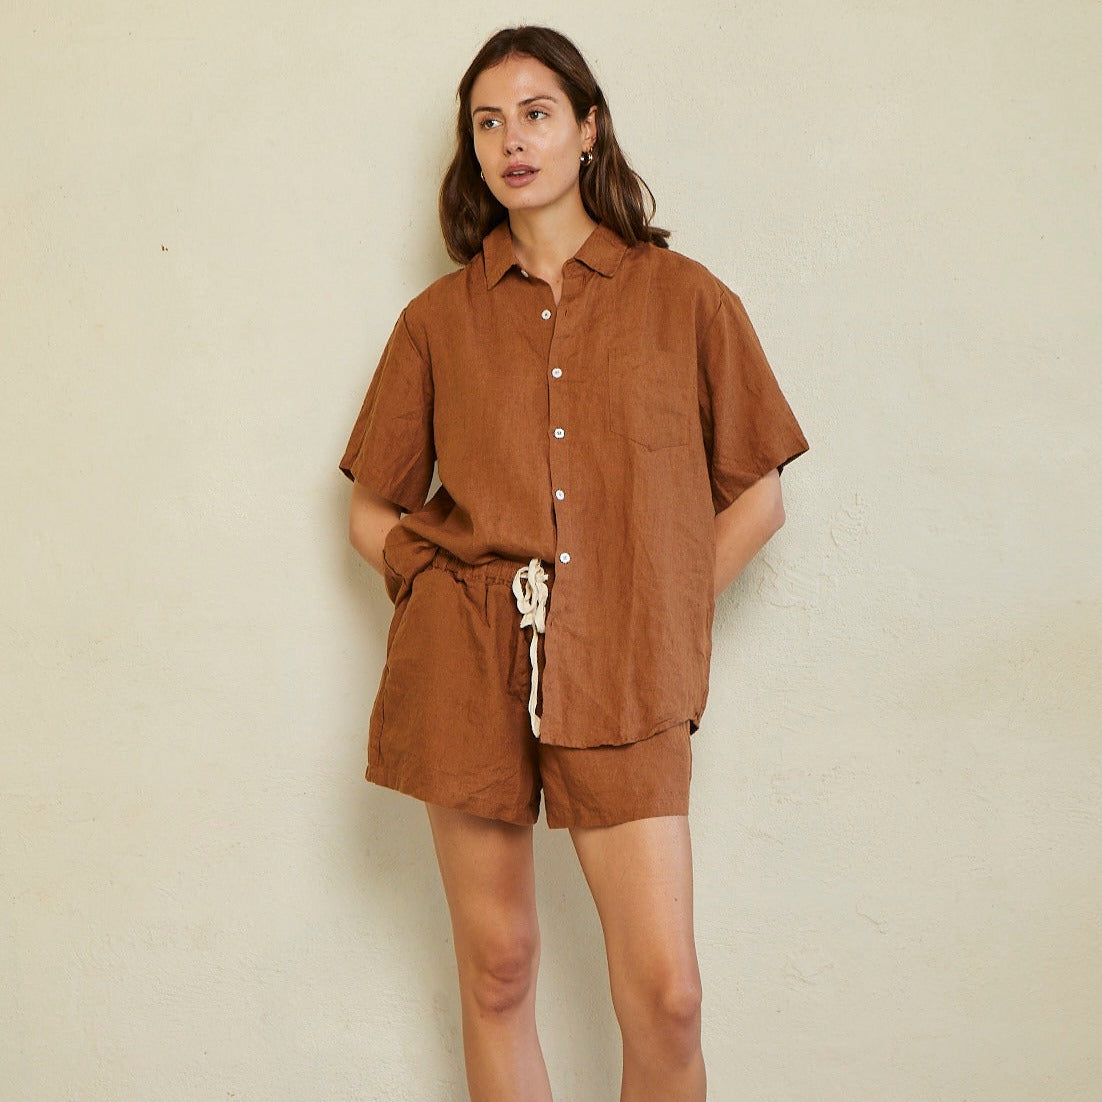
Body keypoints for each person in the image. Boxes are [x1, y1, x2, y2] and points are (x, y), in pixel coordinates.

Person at [338, 24, 810, 1102]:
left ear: (588, 129)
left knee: (668, 997)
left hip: (629, 669)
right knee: (498, 968)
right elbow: (371, 509)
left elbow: (759, 497)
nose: (512, 140)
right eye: (488, 123)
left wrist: (661, 608)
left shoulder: (685, 299)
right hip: (467, 666)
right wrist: (434, 588)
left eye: (536, 114)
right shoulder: (437, 321)